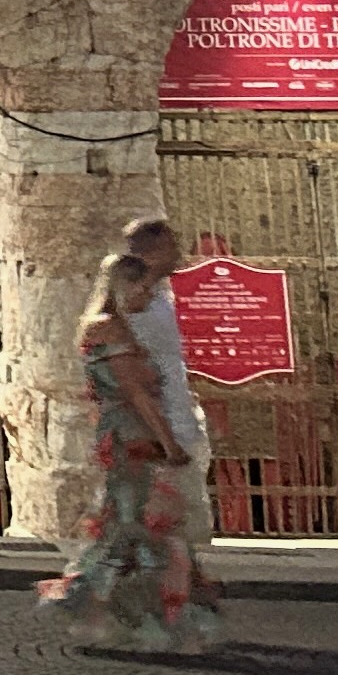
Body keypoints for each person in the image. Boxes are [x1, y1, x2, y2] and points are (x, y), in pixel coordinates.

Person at [38, 250, 226, 652]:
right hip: (133, 437)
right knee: (133, 529)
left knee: (135, 527)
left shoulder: (108, 327)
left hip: (126, 436)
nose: (148, 293)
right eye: (142, 286)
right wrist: (171, 444)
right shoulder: (110, 329)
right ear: (124, 286)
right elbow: (137, 394)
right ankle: (103, 609)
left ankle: (127, 615)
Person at [119, 216, 214, 539]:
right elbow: (135, 379)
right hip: (158, 433)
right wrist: (167, 441)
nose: (178, 253)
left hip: (178, 421)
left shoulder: (160, 296)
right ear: (152, 252)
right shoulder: (135, 301)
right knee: (175, 532)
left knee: (183, 531)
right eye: (171, 245)